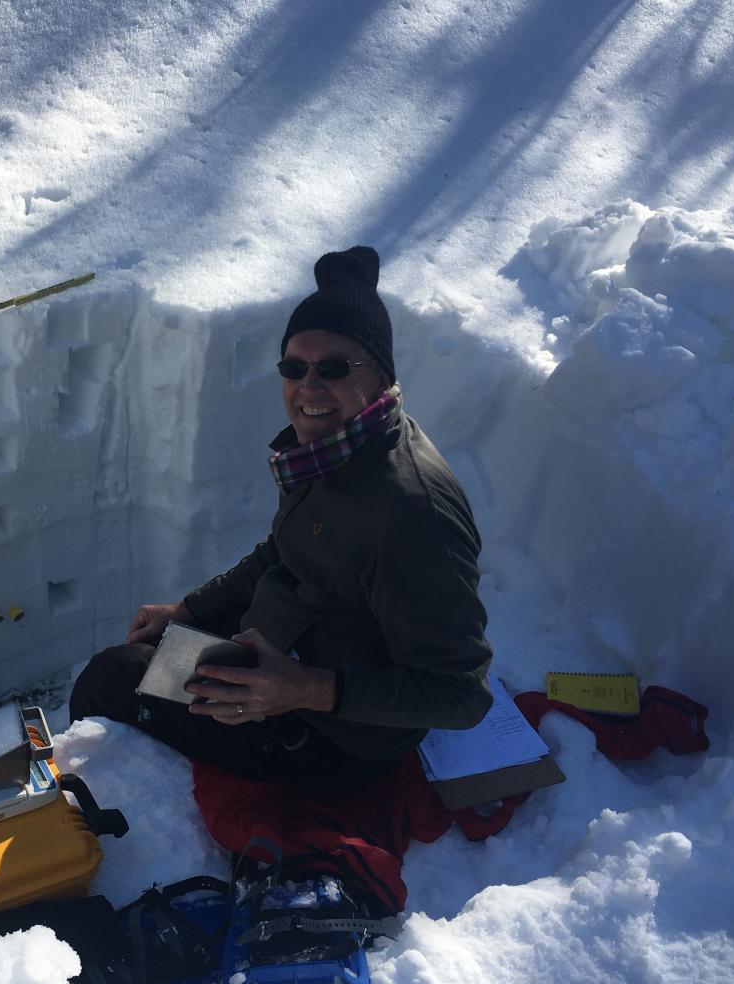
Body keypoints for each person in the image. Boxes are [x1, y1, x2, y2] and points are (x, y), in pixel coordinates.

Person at [69, 246, 493, 789]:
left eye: (334, 368)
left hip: (332, 736)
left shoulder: (412, 512)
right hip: (281, 651)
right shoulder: (333, 448)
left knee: (112, 676)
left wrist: (302, 689)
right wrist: (189, 609)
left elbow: (461, 693)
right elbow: (283, 553)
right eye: (294, 368)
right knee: (151, 651)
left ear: (379, 374)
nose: (308, 387)